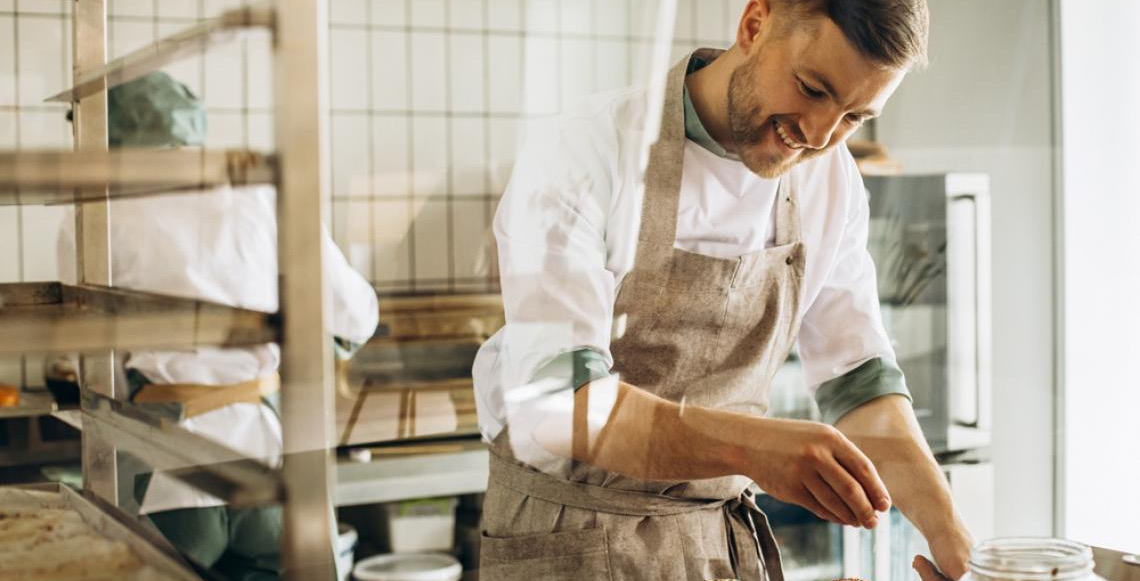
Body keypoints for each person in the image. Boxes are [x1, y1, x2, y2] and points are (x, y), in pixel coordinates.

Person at [472, 1, 971, 580]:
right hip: (570, 537)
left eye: (855, 117)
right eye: (812, 88)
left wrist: (957, 543)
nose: (817, 135)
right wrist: (751, 447)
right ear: (754, 24)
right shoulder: (587, 149)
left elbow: (858, 383)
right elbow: (559, 402)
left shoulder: (830, 181)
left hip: (715, 544)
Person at [60, 71, 379, 580]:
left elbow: (94, 365)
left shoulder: (99, 208)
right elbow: (355, 315)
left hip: (166, 467)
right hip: (268, 461)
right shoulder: (258, 194)